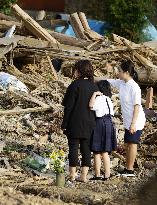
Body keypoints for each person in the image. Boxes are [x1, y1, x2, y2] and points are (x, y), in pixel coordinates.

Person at [95, 60, 146, 177]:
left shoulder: (134, 87)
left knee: (132, 143)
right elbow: (106, 80)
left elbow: (137, 106)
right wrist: (91, 78)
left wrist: (133, 124)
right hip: (128, 120)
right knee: (127, 143)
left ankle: (130, 170)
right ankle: (128, 168)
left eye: (120, 71)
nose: (118, 73)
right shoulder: (121, 83)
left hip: (136, 120)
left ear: (127, 72)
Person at [61, 60, 98, 182]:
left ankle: (72, 175)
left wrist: (64, 123)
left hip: (74, 122)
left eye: (76, 69)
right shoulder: (94, 86)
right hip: (90, 122)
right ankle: (83, 176)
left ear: (79, 71)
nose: (74, 72)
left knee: (73, 148)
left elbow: (69, 107)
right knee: (86, 149)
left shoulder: (74, 85)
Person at [89, 80, 117, 181]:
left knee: (96, 151)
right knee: (105, 151)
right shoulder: (108, 99)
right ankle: (107, 174)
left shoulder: (99, 98)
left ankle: (97, 174)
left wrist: (94, 94)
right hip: (109, 123)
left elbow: (91, 106)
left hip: (100, 123)